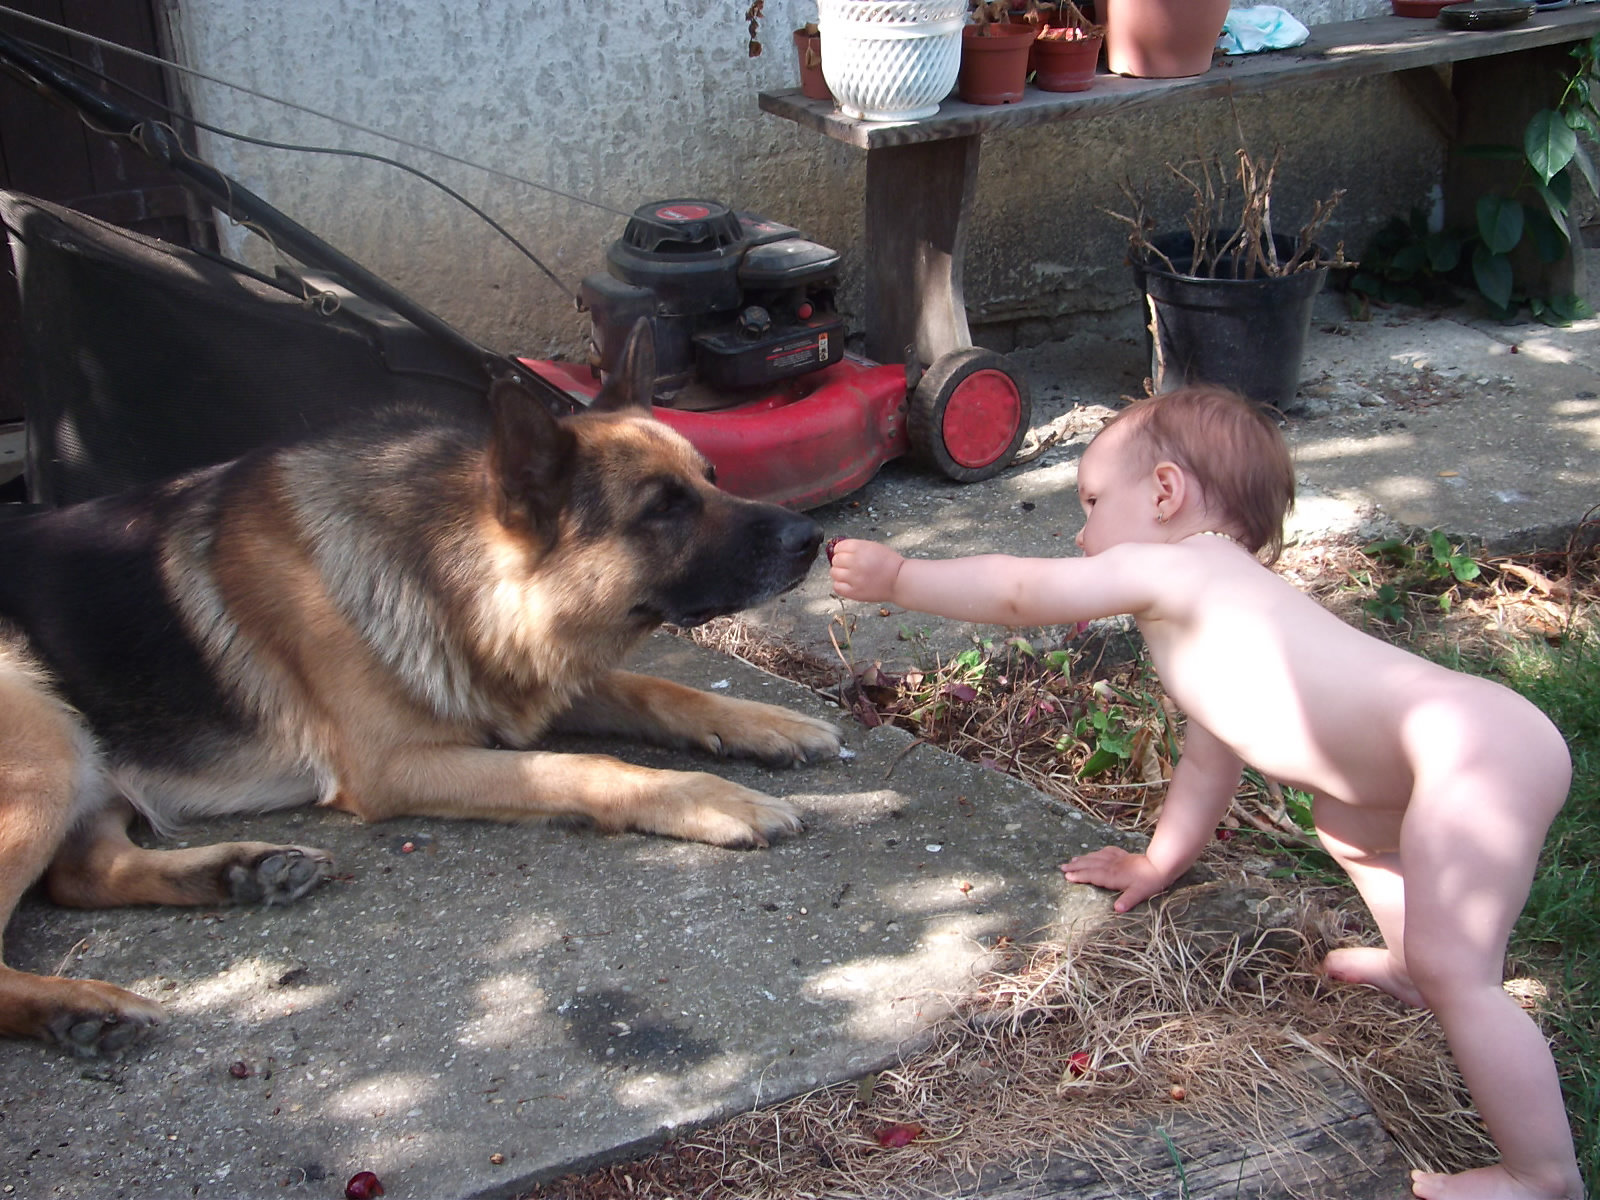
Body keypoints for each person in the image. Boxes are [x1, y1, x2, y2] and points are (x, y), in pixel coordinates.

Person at [828, 385, 1581, 1200]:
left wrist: (902, 577)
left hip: (1469, 748)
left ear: (1164, 493)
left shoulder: (1177, 570)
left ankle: (1541, 1174)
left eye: (1089, 501)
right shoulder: (1224, 619)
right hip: (1446, 747)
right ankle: (1408, 964)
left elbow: (1020, 595)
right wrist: (1158, 862)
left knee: (1461, 971)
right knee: (1353, 826)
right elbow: (1208, 766)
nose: (1081, 534)